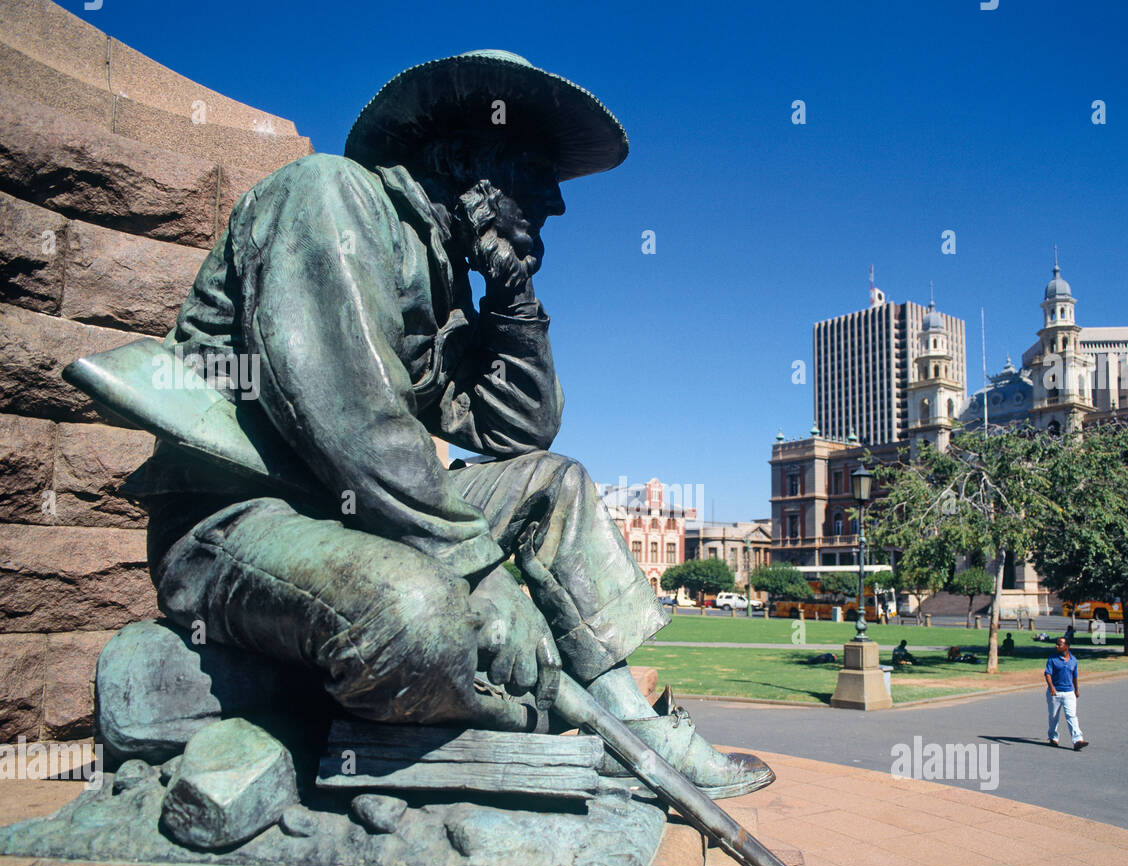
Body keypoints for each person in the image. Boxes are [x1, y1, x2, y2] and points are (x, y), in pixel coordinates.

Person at [101, 51, 773, 799]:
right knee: (420, 613)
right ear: (461, 161)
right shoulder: (330, 198)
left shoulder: (446, 278)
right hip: (239, 521)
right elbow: (353, 424)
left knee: (558, 488)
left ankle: (630, 721)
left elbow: (519, 431)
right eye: (533, 174)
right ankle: (510, 725)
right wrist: (482, 576)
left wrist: (511, 292)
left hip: (353, 517)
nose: (555, 202)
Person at [1044, 636, 1088, 750]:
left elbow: (1075, 676)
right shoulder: (1052, 659)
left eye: (1060, 644)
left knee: (1071, 716)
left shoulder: (1073, 660)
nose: (1056, 646)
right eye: (1057, 644)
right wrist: (1052, 687)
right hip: (1055, 693)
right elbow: (1047, 674)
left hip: (1069, 692)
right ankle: (1053, 737)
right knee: (1054, 717)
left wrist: (1076, 690)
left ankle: (1077, 740)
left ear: (1067, 646)